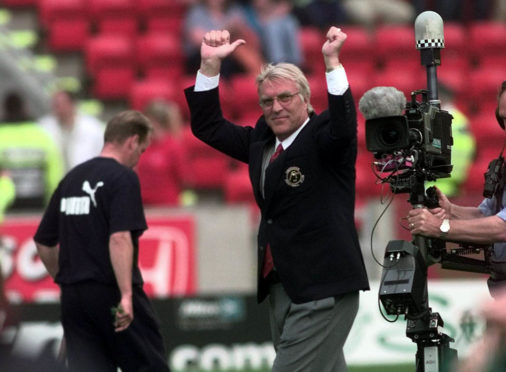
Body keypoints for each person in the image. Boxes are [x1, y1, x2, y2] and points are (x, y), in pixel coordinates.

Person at [184, 27, 369, 371]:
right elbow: (208, 127)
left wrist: (332, 63)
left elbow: (344, 126)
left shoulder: (325, 139)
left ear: (305, 98)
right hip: (283, 287)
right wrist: (209, 66)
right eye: (267, 101)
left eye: (285, 98)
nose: (276, 107)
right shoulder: (261, 143)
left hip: (323, 287)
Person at [33, 110, 170, 372]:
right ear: (132, 141)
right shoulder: (122, 177)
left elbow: (43, 242)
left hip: (74, 297)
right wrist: (126, 295)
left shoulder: (71, 179)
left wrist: (65, 278)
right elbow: (119, 237)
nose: (137, 160)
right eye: (140, 151)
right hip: (111, 292)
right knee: (149, 365)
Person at [406, 80, 506, 297]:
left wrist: (441, 226)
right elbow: (486, 213)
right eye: (504, 118)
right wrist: (452, 211)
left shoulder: (449, 124)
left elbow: (502, 227)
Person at [0, 92, 64, 211]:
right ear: (25, 109)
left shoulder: (1, 135)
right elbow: (54, 176)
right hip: (38, 208)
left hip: (5, 209)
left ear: (4, 110)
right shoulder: (43, 135)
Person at [183, 0, 265, 77]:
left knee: (242, 48)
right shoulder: (197, 12)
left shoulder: (234, 10)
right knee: (238, 51)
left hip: (231, 55)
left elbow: (251, 38)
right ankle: (262, 75)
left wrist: (240, 30)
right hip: (202, 57)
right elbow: (200, 40)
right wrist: (227, 30)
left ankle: (261, 75)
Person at [38, 90, 104, 173]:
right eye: (55, 105)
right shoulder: (44, 128)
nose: (59, 109)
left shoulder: (93, 128)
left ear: (72, 104)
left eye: (61, 104)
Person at [136, 100, 187, 206]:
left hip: (166, 205)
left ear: (155, 122)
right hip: (142, 204)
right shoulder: (141, 145)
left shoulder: (173, 147)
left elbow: (184, 177)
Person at [244, 0, 303, 66]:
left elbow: (287, 6)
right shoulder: (249, 11)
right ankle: (278, 62)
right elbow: (260, 24)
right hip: (260, 37)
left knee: (289, 22)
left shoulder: (272, 8)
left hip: (278, 30)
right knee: (272, 27)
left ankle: (296, 61)